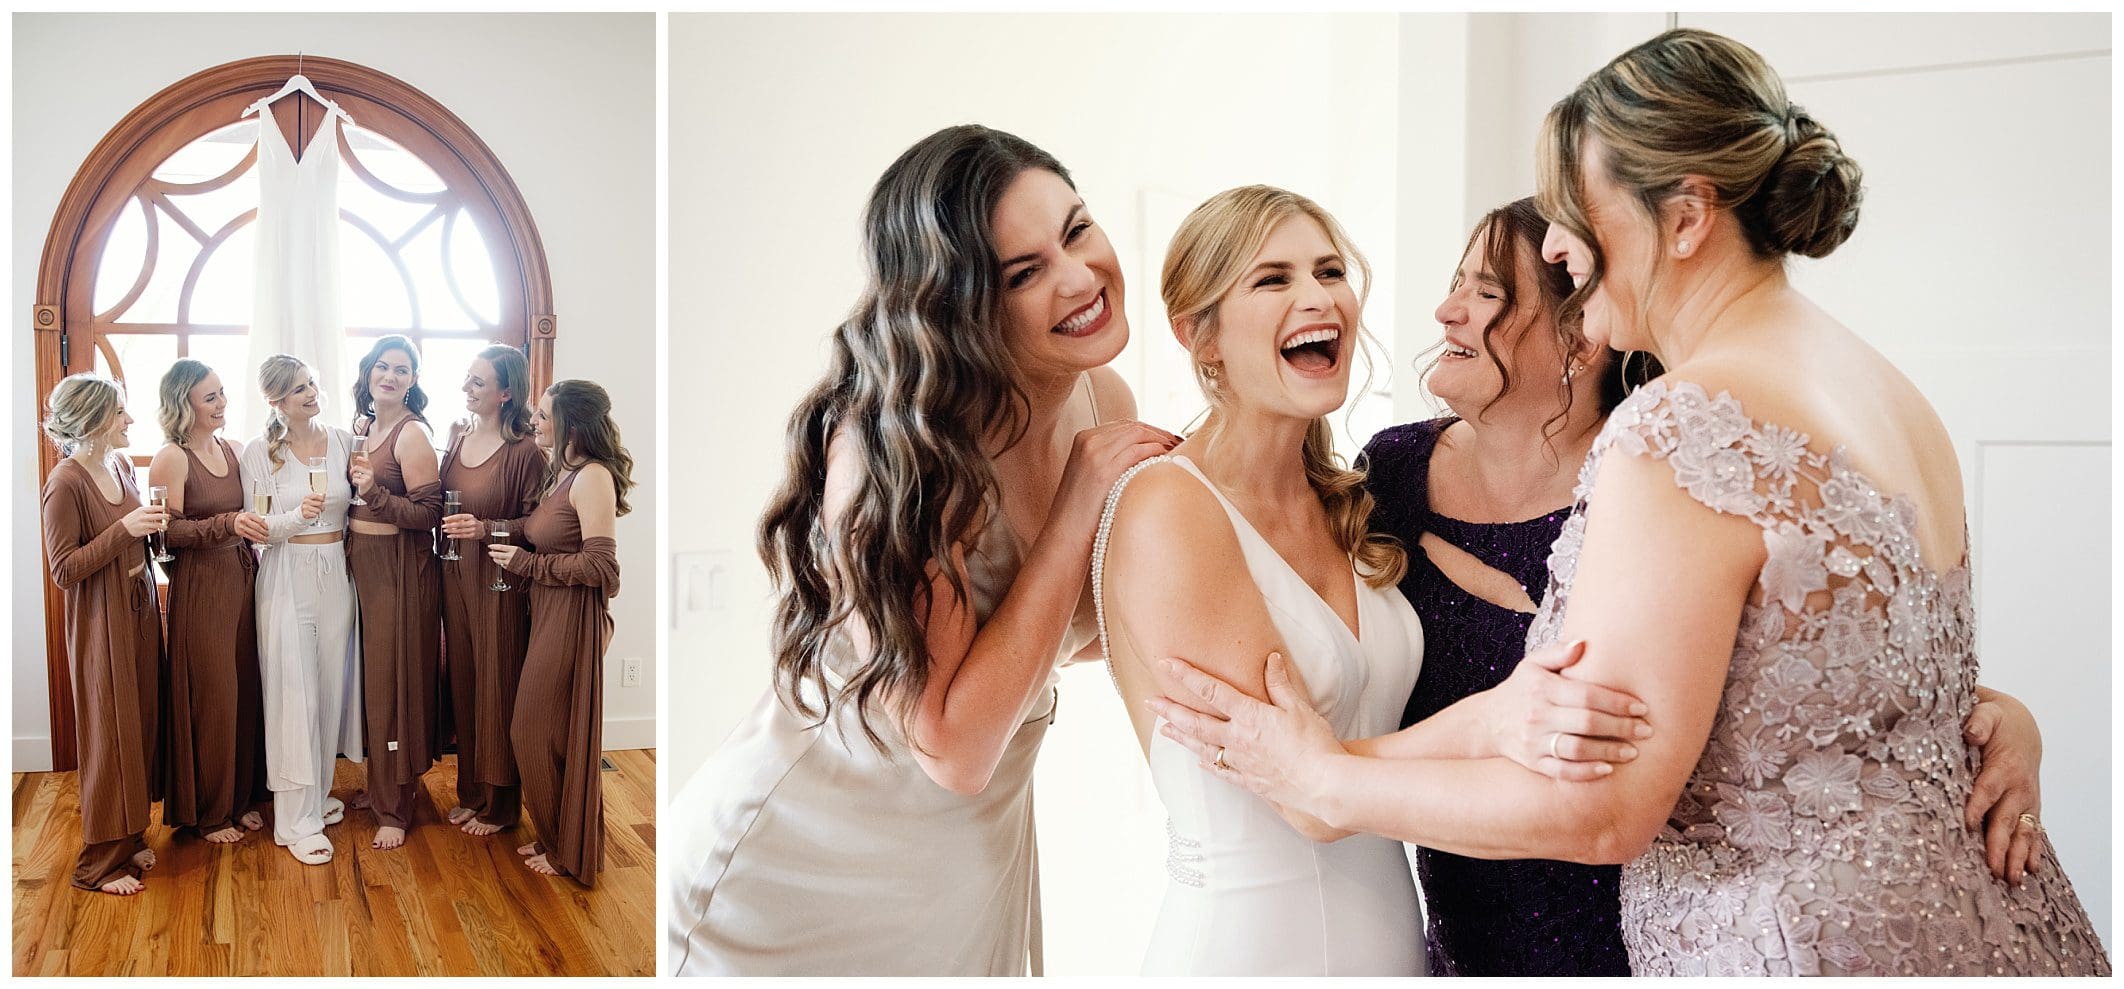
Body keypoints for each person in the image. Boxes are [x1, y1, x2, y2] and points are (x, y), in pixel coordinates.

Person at [1154, 28, 2107, 976]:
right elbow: (1828, 675)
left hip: (1798, 947)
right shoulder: (1889, 391)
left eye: (1578, 213)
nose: (1559, 246)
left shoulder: (1684, 428)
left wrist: (1327, 782)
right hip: (1984, 928)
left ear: (1686, 218)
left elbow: (1603, 805)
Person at [1362, 198, 2056, 975]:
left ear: (1577, 334)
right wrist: (1198, 472)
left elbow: (1785, 682)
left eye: (1486, 292)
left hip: (1657, 938)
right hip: (1467, 933)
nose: (1445, 309)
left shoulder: (1667, 476)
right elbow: (1294, 602)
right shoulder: (1387, 476)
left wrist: (1991, 717)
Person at [663, 124, 1176, 976]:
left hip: (962, 864)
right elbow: (952, 744)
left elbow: (1061, 635)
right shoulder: (900, 454)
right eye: (1026, 272)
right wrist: (1080, 503)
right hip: (798, 868)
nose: (1081, 277)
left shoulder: (1102, 397)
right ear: (960, 303)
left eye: (1077, 229)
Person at [492, 379, 632, 884]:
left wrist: (529, 567)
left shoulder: (592, 477)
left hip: (571, 619)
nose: (536, 423)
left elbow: (603, 569)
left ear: (572, 423)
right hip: (546, 611)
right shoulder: (561, 473)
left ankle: (564, 845)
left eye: (545, 415)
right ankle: (556, 836)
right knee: (545, 734)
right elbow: (539, 535)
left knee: (530, 730)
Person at [40, 373, 165, 894]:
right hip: (101, 622)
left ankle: (131, 834)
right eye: (120, 413)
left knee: (138, 724)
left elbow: (133, 532)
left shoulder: (115, 462)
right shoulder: (65, 483)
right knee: (108, 734)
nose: (130, 420)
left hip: (138, 609)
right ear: (93, 421)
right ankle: (99, 864)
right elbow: (63, 569)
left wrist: (148, 535)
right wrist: (125, 531)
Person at [240, 354, 361, 865]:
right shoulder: (259, 452)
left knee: (330, 693)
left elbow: (357, 503)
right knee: (296, 697)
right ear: (275, 402)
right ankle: (294, 821)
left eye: (311, 383)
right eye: (296, 390)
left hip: (338, 573)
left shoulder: (341, 440)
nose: (310, 394)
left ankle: (315, 798)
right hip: (288, 575)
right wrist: (298, 515)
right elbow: (261, 528)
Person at [149, 359, 270, 845]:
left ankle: (240, 799)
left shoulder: (234, 449)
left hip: (243, 578)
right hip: (200, 587)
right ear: (184, 405)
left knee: (245, 690)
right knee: (213, 697)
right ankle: (209, 811)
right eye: (210, 398)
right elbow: (166, 533)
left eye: (222, 393)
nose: (222, 404)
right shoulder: (171, 458)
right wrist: (226, 525)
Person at [438, 344, 547, 837]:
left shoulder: (525, 452)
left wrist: (484, 529)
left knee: (497, 683)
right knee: (464, 680)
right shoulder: (457, 437)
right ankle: (473, 793)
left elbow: (536, 526)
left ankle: (502, 805)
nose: (467, 387)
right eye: (468, 378)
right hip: (454, 575)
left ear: (507, 393)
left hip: (499, 582)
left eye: (478, 382)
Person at [345, 335, 444, 851]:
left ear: (413, 380)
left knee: (393, 684)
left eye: (402, 370)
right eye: (383, 367)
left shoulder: (411, 436)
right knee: (371, 682)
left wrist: (374, 494)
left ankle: (395, 807)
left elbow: (430, 515)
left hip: (400, 574)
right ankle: (381, 783)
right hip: (363, 568)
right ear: (368, 373)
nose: (391, 376)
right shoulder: (365, 429)